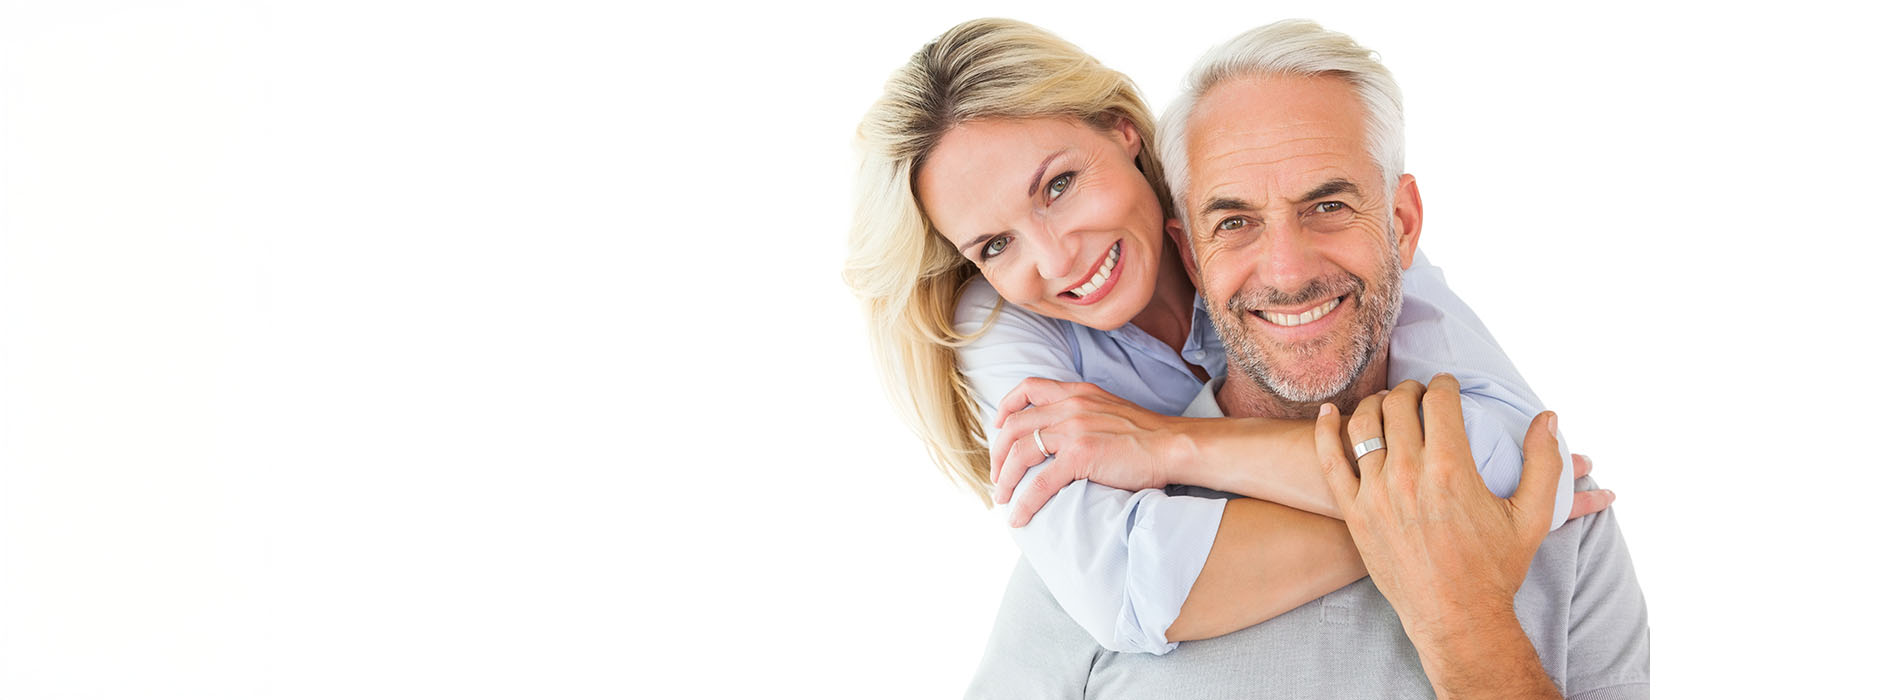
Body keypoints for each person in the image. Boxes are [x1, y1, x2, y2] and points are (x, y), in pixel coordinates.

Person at [843, 18, 1607, 656]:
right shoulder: (1003, 328)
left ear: (1121, 131)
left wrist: (1172, 444)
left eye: (1059, 185)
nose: (1054, 258)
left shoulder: (1291, 208)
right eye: (995, 245)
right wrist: (1455, 525)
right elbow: (1131, 591)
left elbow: (1496, 444)